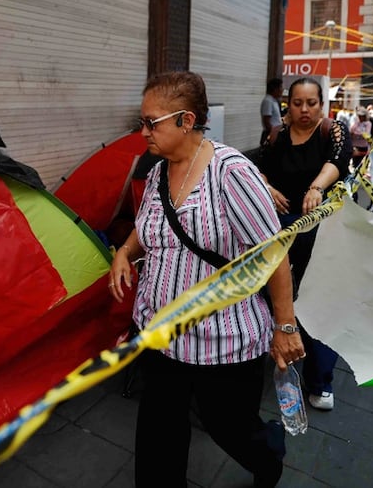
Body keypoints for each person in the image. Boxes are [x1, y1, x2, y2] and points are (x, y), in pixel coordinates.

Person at [108, 71, 304, 488]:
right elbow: (146, 229)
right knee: (158, 440)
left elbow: (274, 256)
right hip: (161, 332)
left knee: (231, 430)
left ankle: (268, 452)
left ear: (186, 120)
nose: (143, 132)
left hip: (223, 340)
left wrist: (285, 326)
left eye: (151, 123)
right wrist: (125, 252)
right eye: (141, 122)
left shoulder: (231, 172)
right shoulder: (159, 172)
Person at [258, 77, 352, 413]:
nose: (304, 110)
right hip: (279, 230)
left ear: (321, 103)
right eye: (297, 103)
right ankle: (274, 351)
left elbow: (338, 162)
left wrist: (316, 188)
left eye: (311, 103)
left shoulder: (333, 130)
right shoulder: (277, 135)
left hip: (320, 229)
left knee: (318, 299)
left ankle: (320, 381)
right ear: (288, 104)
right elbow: (261, 171)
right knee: (273, 296)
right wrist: (266, 187)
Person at [260, 77, 284, 146]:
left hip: (275, 133)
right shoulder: (268, 101)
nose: (282, 90)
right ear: (275, 89)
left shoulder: (274, 100)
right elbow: (266, 121)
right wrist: (272, 134)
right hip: (270, 133)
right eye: (281, 87)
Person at [349, 106, 372, 170]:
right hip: (355, 146)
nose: (360, 117)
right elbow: (351, 130)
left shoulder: (368, 124)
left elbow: (367, 134)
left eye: (361, 116)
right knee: (355, 165)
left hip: (363, 146)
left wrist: (357, 133)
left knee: (362, 166)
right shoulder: (357, 123)